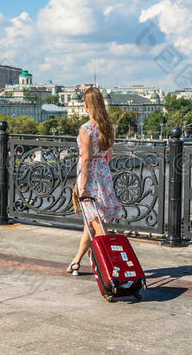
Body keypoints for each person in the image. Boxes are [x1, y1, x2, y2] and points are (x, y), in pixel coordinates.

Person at [66, 87, 123, 275]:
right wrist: (102, 172)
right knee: (90, 223)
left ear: (86, 105)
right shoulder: (108, 127)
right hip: (104, 175)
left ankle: (112, 267)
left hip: (90, 179)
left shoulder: (86, 128)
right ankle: (76, 261)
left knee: (97, 224)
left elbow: (86, 159)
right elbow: (109, 155)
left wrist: (81, 186)